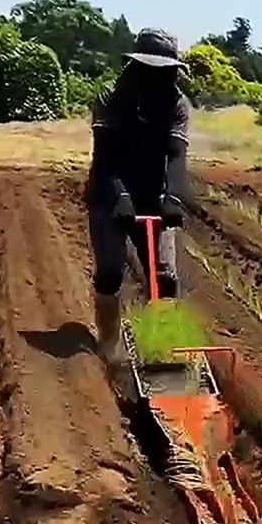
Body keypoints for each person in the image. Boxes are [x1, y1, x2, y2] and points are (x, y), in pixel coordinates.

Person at [85, 27, 190, 363]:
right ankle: (109, 346)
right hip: (108, 191)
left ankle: (158, 352)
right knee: (111, 271)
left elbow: (175, 155)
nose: (158, 76)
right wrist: (120, 195)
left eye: (164, 70)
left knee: (165, 279)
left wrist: (172, 197)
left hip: (152, 193)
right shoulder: (111, 97)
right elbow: (105, 157)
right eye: (152, 69)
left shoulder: (176, 103)